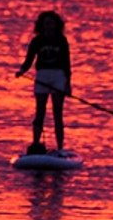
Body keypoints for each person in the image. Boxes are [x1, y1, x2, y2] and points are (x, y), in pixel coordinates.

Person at [15, 11, 71, 154]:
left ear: (56, 25)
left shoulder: (61, 40)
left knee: (58, 113)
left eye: (51, 23)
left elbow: (66, 63)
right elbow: (29, 60)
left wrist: (67, 83)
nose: (49, 26)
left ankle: (60, 147)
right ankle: (35, 143)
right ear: (42, 25)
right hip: (42, 76)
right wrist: (22, 71)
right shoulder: (37, 41)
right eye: (46, 23)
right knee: (40, 112)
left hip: (58, 76)